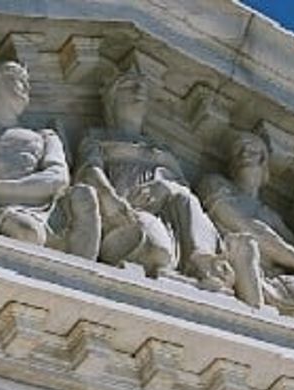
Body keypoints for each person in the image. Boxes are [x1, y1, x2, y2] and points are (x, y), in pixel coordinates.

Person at [77, 70, 233, 290]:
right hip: (125, 212)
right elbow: (88, 171)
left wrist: (165, 187)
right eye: (129, 85)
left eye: (142, 87)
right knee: (156, 250)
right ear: (111, 99)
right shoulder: (96, 137)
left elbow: (184, 190)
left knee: (186, 199)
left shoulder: (162, 149)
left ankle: (203, 260)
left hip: (166, 216)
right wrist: (111, 199)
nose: (139, 91)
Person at [199, 130, 294, 326]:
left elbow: (293, 246)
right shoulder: (214, 183)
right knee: (248, 243)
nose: (244, 154)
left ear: (263, 161)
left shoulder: (270, 215)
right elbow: (246, 227)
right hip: (235, 264)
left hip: (275, 280)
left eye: (251, 150)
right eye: (238, 151)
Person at [0, 60, 99, 258]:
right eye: (19, 80)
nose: (27, 89)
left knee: (85, 196)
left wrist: (1, 187)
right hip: (6, 211)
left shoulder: (45, 136)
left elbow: (58, 178)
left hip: (50, 211)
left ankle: (84, 274)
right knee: (27, 232)